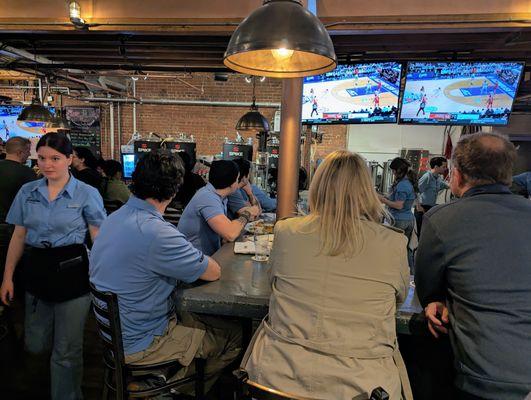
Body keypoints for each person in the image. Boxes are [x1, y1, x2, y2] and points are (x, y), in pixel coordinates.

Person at [243, 151, 412, 399]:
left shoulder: (287, 231)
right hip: (363, 385)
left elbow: (274, 282)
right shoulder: (394, 243)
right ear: (367, 191)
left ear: (317, 187)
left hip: (276, 376)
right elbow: (397, 299)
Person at [89, 151, 241, 395]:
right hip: (143, 342)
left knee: (196, 317)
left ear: (134, 181)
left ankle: (159, 380)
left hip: (115, 334)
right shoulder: (157, 232)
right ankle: (169, 390)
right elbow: (213, 271)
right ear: (175, 189)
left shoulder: (114, 218)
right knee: (233, 336)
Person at [415, 133, 531, 400]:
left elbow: (427, 289)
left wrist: (435, 300)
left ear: (457, 175)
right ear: (508, 174)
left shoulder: (441, 220)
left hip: (481, 379)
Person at [0, 132, 106, 400]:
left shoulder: (86, 193)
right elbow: (19, 235)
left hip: (73, 272)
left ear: (69, 159)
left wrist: (103, 275)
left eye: (55, 159)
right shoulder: (28, 192)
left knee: (66, 350)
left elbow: (98, 237)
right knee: (35, 344)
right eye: (43, 158)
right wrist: (7, 276)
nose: (48, 164)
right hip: (36, 270)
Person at [178, 160, 259, 256]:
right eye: (237, 179)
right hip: (192, 261)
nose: (238, 183)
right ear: (231, 183)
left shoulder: (217, 196)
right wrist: (247, 213)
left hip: (204, 257)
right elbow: (230, 234)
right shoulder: (207, 197)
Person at [0, 137, 36, 274]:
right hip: (13, 231)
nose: (29, 155)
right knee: (13, 271)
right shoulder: (27, 174)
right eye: (28, 151)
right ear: (21, 152)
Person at [379, 157, 416, 268]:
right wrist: (386, 196)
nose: (393, 173)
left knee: (395, 248)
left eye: (393, 170)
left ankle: (395, 270)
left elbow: (399, 205)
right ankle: (409, 273)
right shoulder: (407, 182)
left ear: (397, 170)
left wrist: (383, 200)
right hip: (408, 219)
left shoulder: (402, 185)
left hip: (399, 220)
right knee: (405, 248)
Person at [415, 157, 449, 235]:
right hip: (422, 208)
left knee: (428, 233)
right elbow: (416, 191)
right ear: (436, 167)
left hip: (431, 207)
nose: (445, 169)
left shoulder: (438, 179)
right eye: (443, 167)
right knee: (421, 234)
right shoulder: (427, 177)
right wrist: (418, 206)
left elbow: (447, 186)